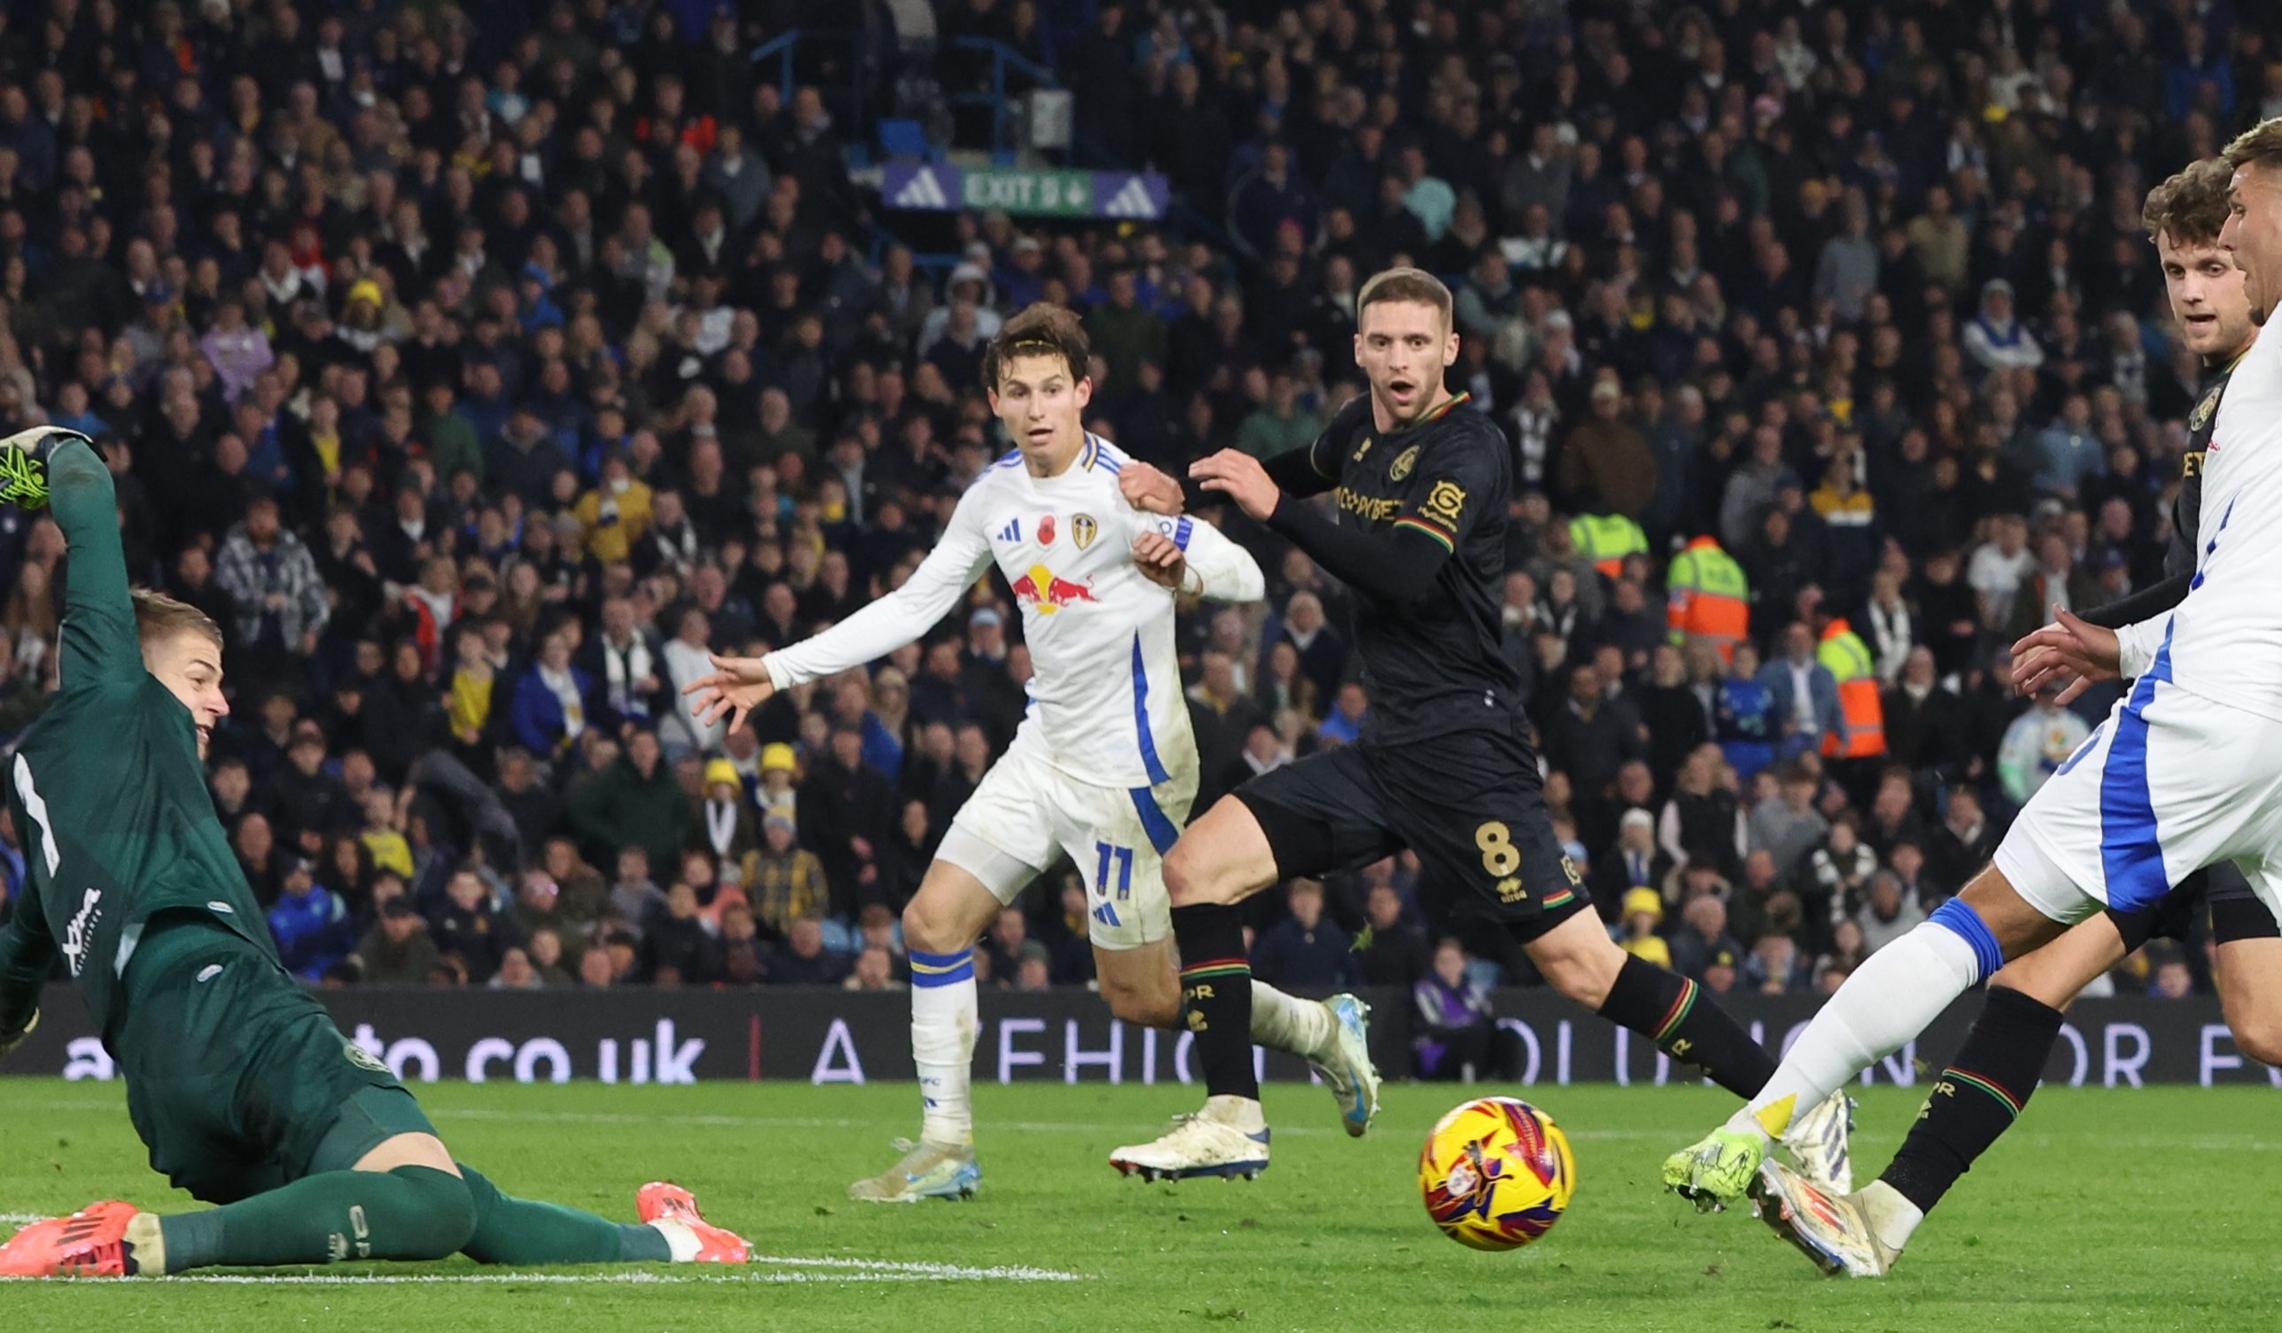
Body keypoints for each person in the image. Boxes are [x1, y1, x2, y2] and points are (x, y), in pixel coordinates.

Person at [1681, 108, 2282, 1275]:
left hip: (2233, 710)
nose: (2226, 241)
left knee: (1984, 920)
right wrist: (2123, 649)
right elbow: (2265, 576)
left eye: (2237, 217)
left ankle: (1769, 1113)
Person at [1114, 268, 1849, 1183]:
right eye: (1381, 341)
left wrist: (1276, 511)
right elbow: (1275, 476)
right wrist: (1179, 482)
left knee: (1584, 969)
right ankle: (1232, 1117)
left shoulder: (1471, 448)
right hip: (1386, 751)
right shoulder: (1356, 428)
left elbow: (1405, 574)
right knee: (1195, 870)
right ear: (1359, 349)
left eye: (1418, 342)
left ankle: (1799, 1101)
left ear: (1451, 349)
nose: (1399, 359)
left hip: (1469, 752)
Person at [0, 429, 745, 1278]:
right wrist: (29, 462)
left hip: (167, 1096)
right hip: (230, 1010)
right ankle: (140, 1242)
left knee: (452, 1194)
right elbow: (85, 478)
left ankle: (675, 1241)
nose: (220, 699)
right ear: (138, 666)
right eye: (202, 675)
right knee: (432, 1199)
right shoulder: (113, 693)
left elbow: (17, 965)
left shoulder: (41, 791)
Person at [684, 304, 1378, 1203]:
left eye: (1055, 388)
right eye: (1020, 391)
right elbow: (911, 604)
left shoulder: (1129, 486)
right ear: (996, 401)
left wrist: (1183, 568)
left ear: (1084, 391)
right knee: (931, 924)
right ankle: (945, 1146)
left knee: (1140, 997)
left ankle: (1323, 1030)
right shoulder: (993, 496)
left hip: (1133, 773)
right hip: (1040, 750)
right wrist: (777, 672)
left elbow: (1247, 574)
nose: (1039, 406)